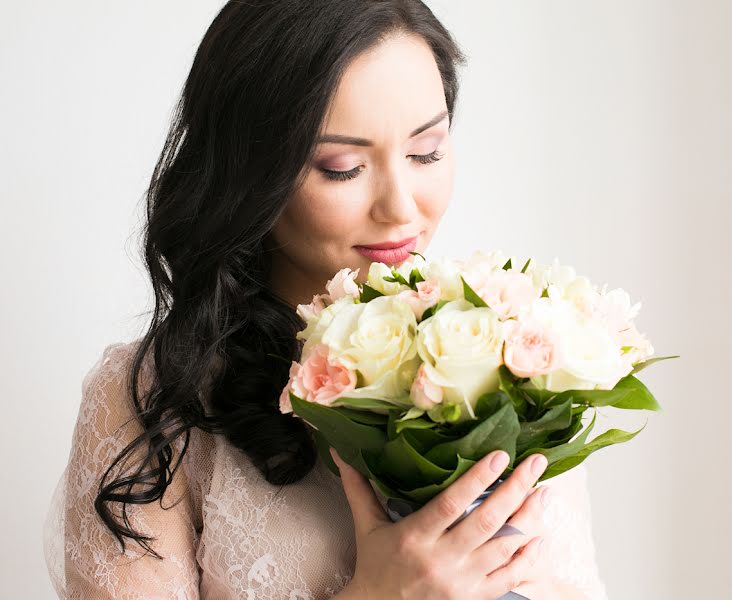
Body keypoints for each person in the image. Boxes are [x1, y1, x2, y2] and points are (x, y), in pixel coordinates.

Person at [42, 1, 609, 598]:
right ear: (253, 174)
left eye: (426, 152)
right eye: (342, 167)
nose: (400, 209)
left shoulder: (515, 360)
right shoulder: (156, 399)